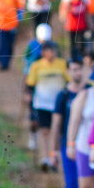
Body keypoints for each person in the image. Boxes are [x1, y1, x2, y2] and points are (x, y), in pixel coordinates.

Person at [51, 59, 88, 188]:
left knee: (89, 183)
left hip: (89, 144)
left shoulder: (90, 92)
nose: (77, 73)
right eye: (74, 70)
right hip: (69, 144)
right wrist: (53, 152)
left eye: (80, 69)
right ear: (68, 72)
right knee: (72, 182)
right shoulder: (63, 95)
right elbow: (56, 125)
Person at [26, 40, 68, 171]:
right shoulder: (36, 66)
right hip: (42, 103)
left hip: (58, 103)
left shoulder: (62, 64)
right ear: (44, 52)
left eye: (54, 50)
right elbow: (30, 84)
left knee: (56, 132)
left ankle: (53, 157)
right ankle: (45, 157)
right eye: (50, 50)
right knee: (44, 131)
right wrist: (28, 96)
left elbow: (69, 80)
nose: (53, 53)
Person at [23, 23, 54, 151]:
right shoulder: (31, 46)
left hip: (48, 84)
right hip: (33, 82)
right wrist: (27, 90)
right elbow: (26, 63)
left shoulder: (52, 46)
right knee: (33, 114)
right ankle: (33, 136)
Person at [59, 0, 91, 64]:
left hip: (82, 25)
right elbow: (64, 11)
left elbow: (87, 11)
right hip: (71, 26)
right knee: (72, 44)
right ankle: (73, 59)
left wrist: (90, 23)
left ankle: (82, 59)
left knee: (82, 43)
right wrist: (63, 19)